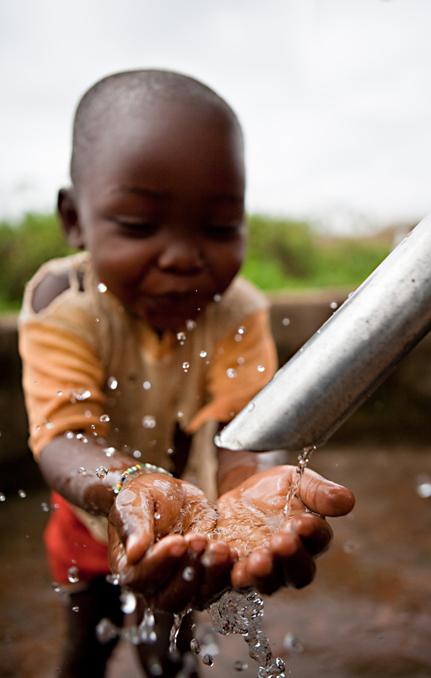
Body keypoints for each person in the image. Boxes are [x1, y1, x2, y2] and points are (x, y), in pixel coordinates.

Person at [18, 70, 355, 677]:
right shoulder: (61, 303)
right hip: (87, 524)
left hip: (188, 529)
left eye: (220, 228)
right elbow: (63, 436)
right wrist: (129, 488)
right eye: (140, 226)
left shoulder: (237, 309)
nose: (182, 256)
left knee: (170, 658)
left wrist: (250, 491)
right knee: (83, 652)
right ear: (74, 219)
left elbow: (243, 433)